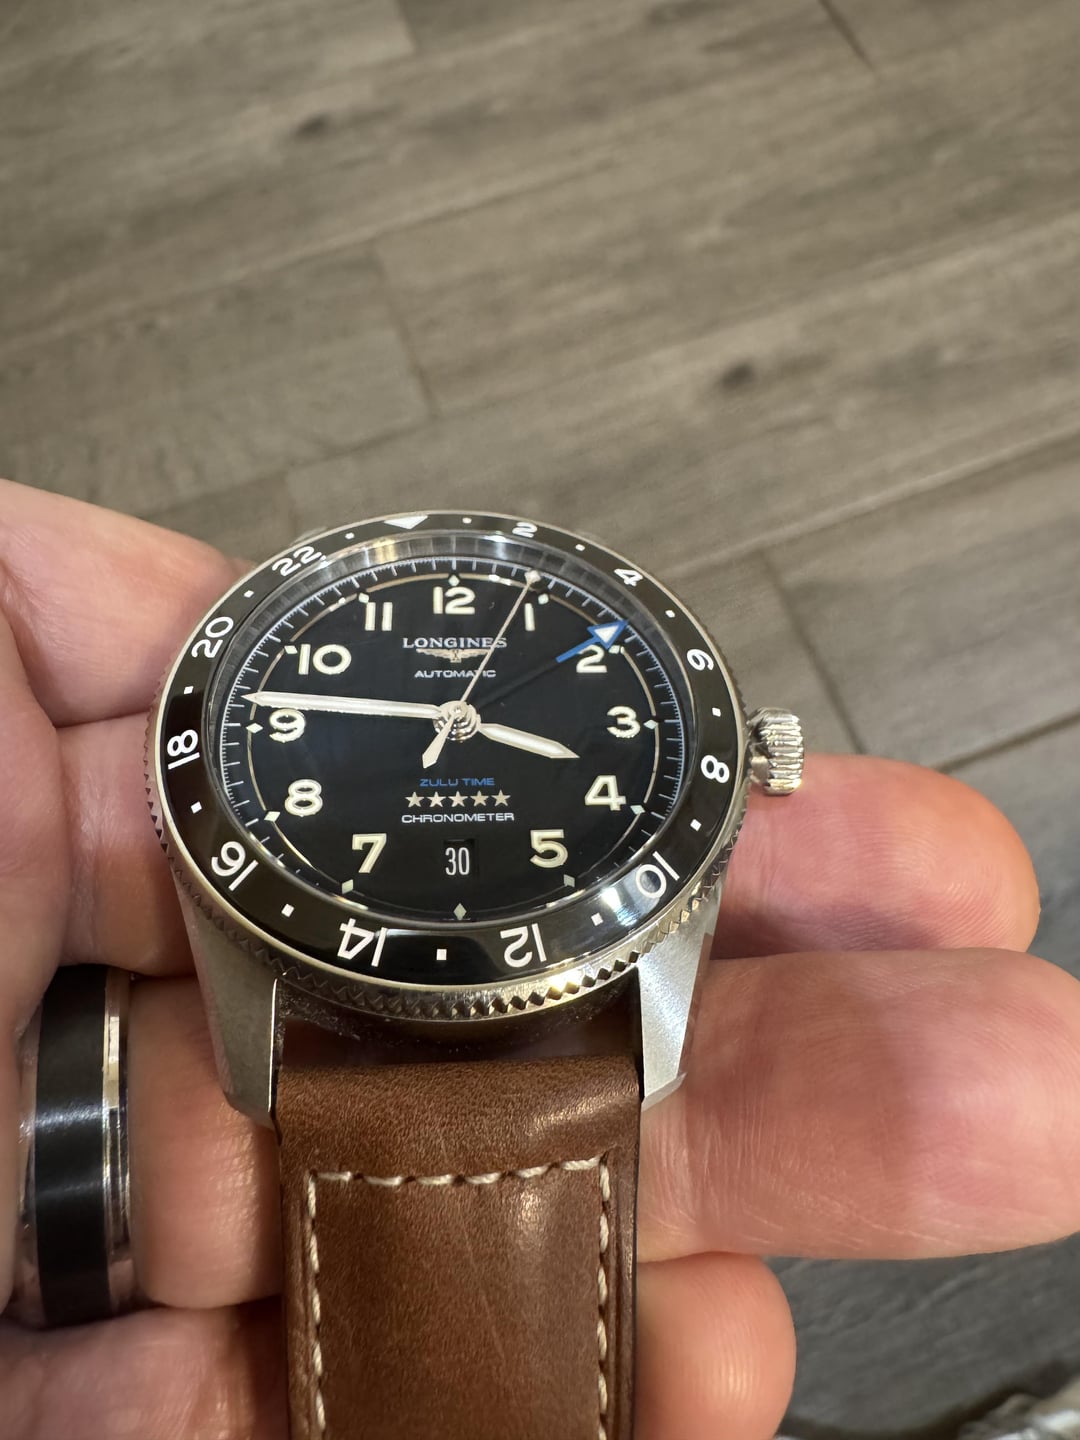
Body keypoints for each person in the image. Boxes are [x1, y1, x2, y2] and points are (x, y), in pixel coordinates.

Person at [0, 475, 1075, 1439]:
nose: (458, 717)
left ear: (750, 753)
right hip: (323, 986)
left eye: (470, 708)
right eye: (447, 711)